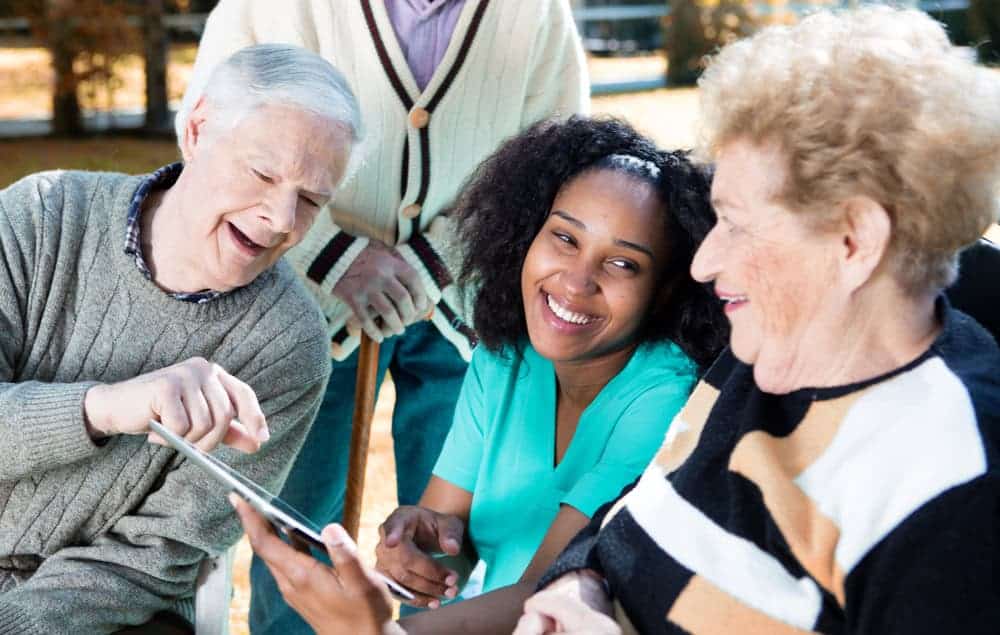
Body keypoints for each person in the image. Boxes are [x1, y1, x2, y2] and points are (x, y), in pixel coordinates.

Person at [514, 7, 1000, 634]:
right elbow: (634, 514)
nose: (705, 263)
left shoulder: (952, 492)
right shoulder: (762, 351)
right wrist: (579, 584)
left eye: (736, 224)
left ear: (854, 242)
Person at [176, 2, 589, 631]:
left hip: (467, 313)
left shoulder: (535, 13)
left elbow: (558, 159)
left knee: (451, 553)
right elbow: (207, 130)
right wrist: (334, 257)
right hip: (306, 310)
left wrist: (429, 262)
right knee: (295, 544)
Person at [233, 116, 730, 634]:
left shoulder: (669, 397)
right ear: (527, 233)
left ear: (669, 289)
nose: (577, 281)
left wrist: (377, 632)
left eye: (623, 264)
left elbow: (549, 594)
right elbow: (449, 539)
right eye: (564, 238)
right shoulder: (506, 357)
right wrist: (424, 550)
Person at [0, 44, 361, 633]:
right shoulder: (41, 215)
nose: (281, 219)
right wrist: (106, 408)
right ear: (197, 130)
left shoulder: (289, 347)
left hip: (105, 617)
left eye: (311, 201)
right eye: (264, 174)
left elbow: (155, 557)